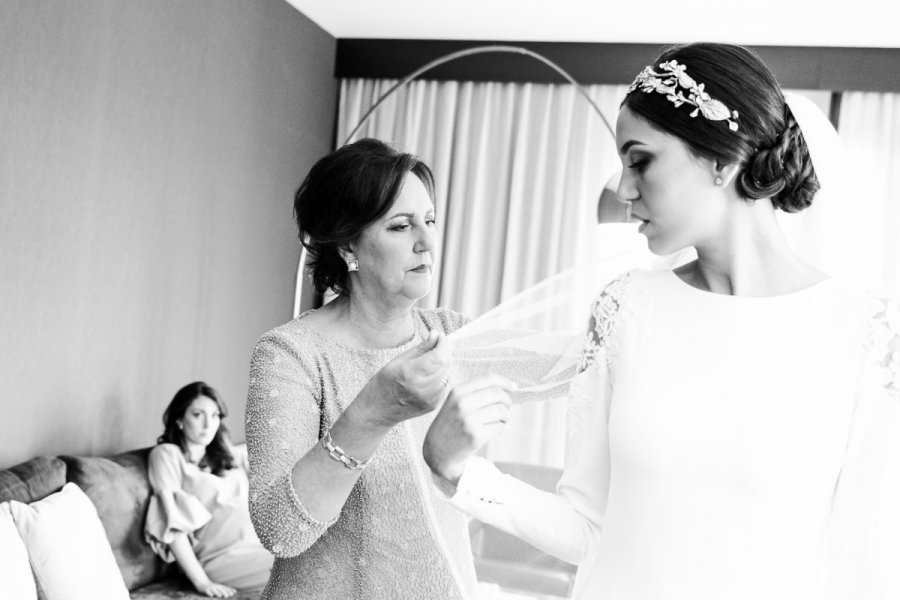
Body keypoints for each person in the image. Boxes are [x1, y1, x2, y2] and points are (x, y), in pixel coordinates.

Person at [424, 42, 900, 599]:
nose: (623, 189)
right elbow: (586, 528)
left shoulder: (860, 330)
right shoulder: (625, 308)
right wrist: (458, 471)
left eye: (640, 160)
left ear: (721, 159)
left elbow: (866, 568)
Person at [244, 138, 514, 599]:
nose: (428, 241)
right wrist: (372, 413)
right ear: (348, 245)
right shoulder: (290, 355)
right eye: (402, 226)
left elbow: (579, 362)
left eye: (429, 221)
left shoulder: (452, 336)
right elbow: (281, 530)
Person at [145, 381, 274, 598]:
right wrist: (202, 582)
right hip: (221, 558)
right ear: (179, 419)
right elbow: (173, 525)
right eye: (198, 415)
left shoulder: (230, 455)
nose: (208, 425)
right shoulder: (167, 455)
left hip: (258, 547)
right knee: (301, 566)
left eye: (215, 416)